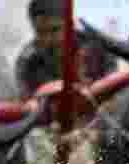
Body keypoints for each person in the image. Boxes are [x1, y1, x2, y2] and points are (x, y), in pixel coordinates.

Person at [14, 0, 119, 154]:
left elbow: (115, 97)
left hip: (102, 129)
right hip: (54, 136)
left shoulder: (98, 47)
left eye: (55, 30)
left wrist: (95, 126)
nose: (47, 39)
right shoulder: (27, 61)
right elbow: (29, 109)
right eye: (40, 33)